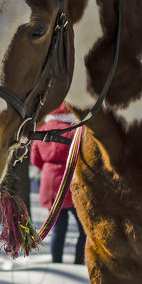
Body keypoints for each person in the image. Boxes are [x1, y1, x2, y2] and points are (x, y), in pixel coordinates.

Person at [30, 104, 85, 265]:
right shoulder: (77, 130)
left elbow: (35, 160)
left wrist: (48, 169)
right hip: (71, 182)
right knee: (83, 229)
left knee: (58, 228)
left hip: (49, 185)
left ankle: (57, 262)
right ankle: (78, 262)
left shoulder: (42, 130)